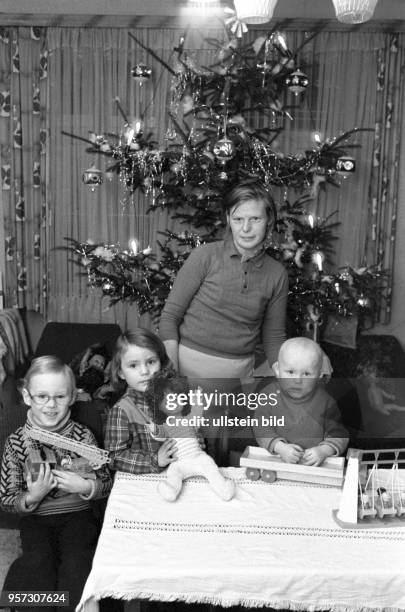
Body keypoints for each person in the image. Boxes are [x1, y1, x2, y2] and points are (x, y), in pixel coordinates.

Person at [0, 356, 112, 612]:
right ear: (27, 397)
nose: (51, 404)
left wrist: (85, 487)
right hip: (37, 520)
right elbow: (6, 499)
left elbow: (107, 482)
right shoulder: (16, 443)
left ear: (72, 397)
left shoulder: (83, 436)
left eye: (60, 397)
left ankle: (76, 606)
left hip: (78, 517)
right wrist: (32, 496)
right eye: (42, 396)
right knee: (38, 564)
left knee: (77, 563)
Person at [159, 179, 289, 379]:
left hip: (240, 378)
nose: (246, 228)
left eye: (255, 219)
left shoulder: (277, 273)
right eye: (238, 219)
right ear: (228, 219)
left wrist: (286, 376)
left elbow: (273, 337)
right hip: (186, 371)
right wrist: (171, 374)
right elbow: (170, 317)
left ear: (269, 220)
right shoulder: (204, 256)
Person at [253, 337, 348, 466]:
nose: (297, 380)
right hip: (275, 462)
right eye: (290, 372)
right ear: (277, 370)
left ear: (319, 375)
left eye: (307, 374)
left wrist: (323, 451)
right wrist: (280, 448)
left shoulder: (326, 402)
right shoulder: (268, 396)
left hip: (312, 468)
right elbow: (260, 427)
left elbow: (339, 434)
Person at [104, 329, 178, 474]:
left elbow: (189, 429)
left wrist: (196, 442)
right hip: (142, 482)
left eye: (151, 362)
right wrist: (156, 460)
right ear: (120, 373)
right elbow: (114, 457)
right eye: (133, 365)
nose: (144, 371)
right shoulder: (121, 411)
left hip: (180, 473)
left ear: (161, 364)